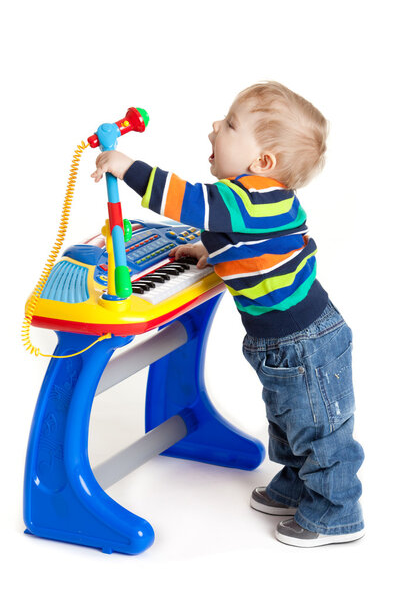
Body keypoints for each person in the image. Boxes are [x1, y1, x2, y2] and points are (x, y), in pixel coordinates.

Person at [91, 81, 365, 547]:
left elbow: (192, 201)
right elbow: (245, 239)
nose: (215, 127)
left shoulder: (252, 198)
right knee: (286, 418)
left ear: (263, 164)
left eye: (231, 124)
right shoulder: (251, 203)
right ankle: (299, 485)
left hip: (306, 342)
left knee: (319, 428)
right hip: (283, 341)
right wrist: (209, 249)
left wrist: (129, 167)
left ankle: (337, 512)